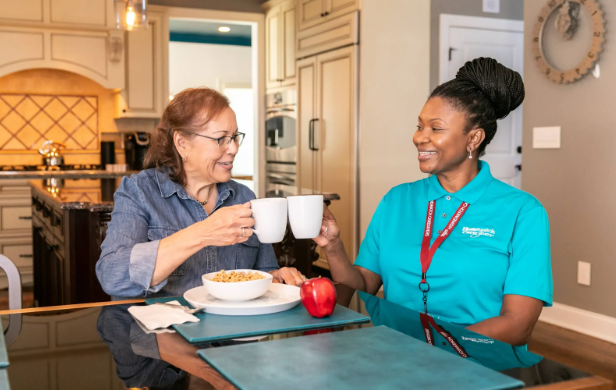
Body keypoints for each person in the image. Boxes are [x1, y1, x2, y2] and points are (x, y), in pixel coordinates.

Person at [315, 58, 552, 346]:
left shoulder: (523, 212)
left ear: (474, 138)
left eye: (435, 128)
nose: (419, 137)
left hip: (475, 365)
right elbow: (363, 286)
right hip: (393, 358)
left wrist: (438, 349)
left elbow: (517, 325)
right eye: (419, 126)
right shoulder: (396, 200)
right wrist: (334, 246)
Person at [96, 88, 304, 299]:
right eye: (220, 139)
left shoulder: (244, 197)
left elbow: (263, 271)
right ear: (182, 143)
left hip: (232, 328)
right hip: (164, 330)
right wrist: (203, 232)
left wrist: (276, 277)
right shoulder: (140, 192)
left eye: (234, 137)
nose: (233, 149)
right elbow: (112, 276)